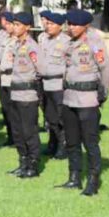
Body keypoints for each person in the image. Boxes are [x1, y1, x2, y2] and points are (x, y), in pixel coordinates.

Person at [55, 9, 109, 196]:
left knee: (90, 142)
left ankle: (93, 181)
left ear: (86, 25)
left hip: (88, 99)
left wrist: (102, 93)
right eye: (69, 24)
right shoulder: (69, 44)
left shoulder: (95, 44)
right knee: (71, 141)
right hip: (69, 97)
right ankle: (74, 178)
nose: (71, 27)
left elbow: (106, 71)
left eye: (75, 24)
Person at [6, 12, 43, 177]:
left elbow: (41, 69)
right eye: (13, 24)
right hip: (15, 94)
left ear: (27, 27)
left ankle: (33, 165)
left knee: (29, 131)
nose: (15, 27)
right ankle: (23, 162)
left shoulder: (32, 46)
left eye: (18, 25)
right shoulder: (15, 45)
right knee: (18, 132)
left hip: (28, 95)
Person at [38, 11, 70, 160]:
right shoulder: (44, 40)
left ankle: (63, 147)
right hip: (45, 84)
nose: (47, 26)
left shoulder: (66, 42)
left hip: (58, 85)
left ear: (60, 26)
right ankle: (52, 144)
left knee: (60, 119)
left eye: (51, 24)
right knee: (50, 118)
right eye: (47, 23)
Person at [0, 11, 15, 147]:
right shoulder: (4, 37)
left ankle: (17, 137)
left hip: (13, 79)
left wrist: (0, 67)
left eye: (9, 24)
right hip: (3, 79)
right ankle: (10, 136)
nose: (6, 26)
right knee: (6, 109)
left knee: (15, 111)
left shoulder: (19, 41)